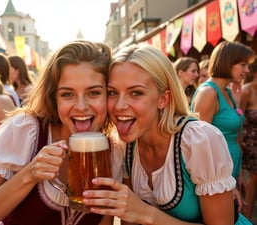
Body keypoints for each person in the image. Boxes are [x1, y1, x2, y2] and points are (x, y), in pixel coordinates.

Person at [80, 45, 252, 225]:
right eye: (113, 92)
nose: (119, 105)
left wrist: (146, 214)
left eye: (136, 93)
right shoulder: (125, 147)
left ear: (164, 98)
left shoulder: (198, 140)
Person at [0, 40, 123, 225]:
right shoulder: (27, 131)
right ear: (53, 98)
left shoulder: (113, 152)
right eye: (67, 94)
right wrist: (29, 174)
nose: (81, 106)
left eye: (94, 93)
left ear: (109, 95)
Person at [190, 41, 255, 211]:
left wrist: (239, 174)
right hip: (216, 180)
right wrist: (224, 184)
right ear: (227, 61)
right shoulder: (208, 93)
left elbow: (235, 134)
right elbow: (200, 147)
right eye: (243, 65)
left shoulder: (227, 92)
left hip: (229, 172)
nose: (247, 71)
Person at [240, 56, 257, 222]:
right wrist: (240, 145)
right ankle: (248, 216)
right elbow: (238, 119)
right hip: (251, 141)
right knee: (255, 177)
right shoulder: (246, 91)